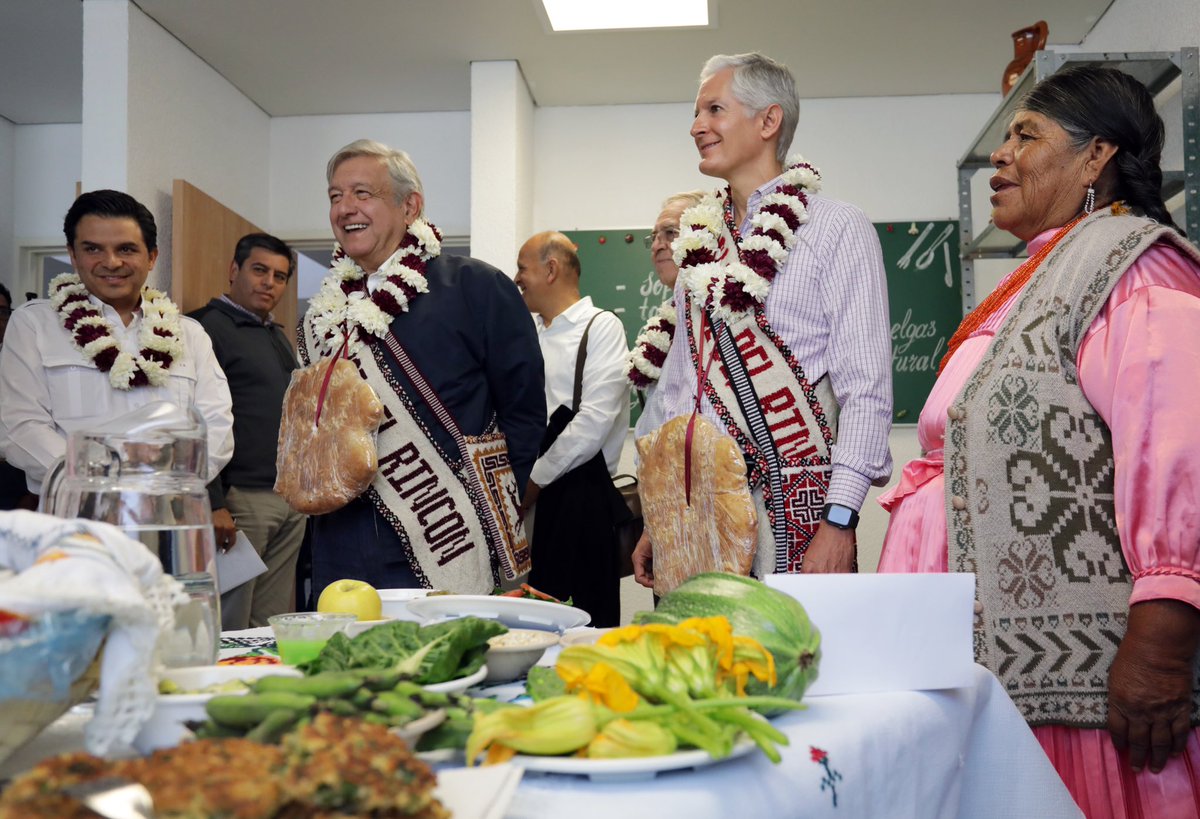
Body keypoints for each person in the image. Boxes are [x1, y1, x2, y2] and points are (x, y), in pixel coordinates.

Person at [876, 65, 1200, 818]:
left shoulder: (1134, 263)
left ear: (1096, 157)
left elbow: (1178, 445)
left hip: (1069, 686)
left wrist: (1161, 642)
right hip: (980, 657)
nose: (1001, 154)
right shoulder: (1042, 273)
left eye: (1026, 135)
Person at [633, 52, 892, 587]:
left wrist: (840, 520)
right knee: (701, 644)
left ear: (768, 120)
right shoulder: (697, 247)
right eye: (696, 113)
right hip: (698, 517)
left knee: (793, 641)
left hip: (797, 509)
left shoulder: (836, 228)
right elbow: (678, 393)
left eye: (714, 109)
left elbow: (866, 390)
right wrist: (659, 515)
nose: (696, 127)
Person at [299, 139, 544, 596]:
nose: (345, 208)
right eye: (335, 196)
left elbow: (524, 411)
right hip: (342, 539)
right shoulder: (324, 315)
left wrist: (492, 505)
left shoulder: (476, 286)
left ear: (409, 206)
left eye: (362, 193)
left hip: (453, 536)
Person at [0, 190, 233, 499]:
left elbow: (216, 427)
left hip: (168, 508)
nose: (111, 262)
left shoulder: (189, 334)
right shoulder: (34, 325)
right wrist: (105, 487)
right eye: (93, 249)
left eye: (126, 249)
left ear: (152, 257)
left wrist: (165, 485)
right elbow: (21, 427)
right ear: (73, 255)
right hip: (75, 508)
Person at [190, 233, 306, 629]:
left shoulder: (275, 335)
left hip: (287, 498)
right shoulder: (204, 329)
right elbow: (194, 420)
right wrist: (213, 501)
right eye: (259, 270)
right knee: (228, 621)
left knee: (271, 625)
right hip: (239, 502)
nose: (269, 283)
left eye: (280, 276)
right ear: (233, 270)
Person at [515, 231, 630, 626]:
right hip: (525, 500)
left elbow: (593, 422)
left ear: (551, 270)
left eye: (522, 268)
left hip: (580, 501)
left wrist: (535, 480)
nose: (517, 278)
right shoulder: (526, 331)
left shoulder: (600, 327)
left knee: (581, 621)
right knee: (529, 619)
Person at [627, 190, 705, 442]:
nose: (657, 246)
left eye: (670, 233)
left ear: (704, 236)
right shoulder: (670, 317)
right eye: (654, 237)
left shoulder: (718, 315)